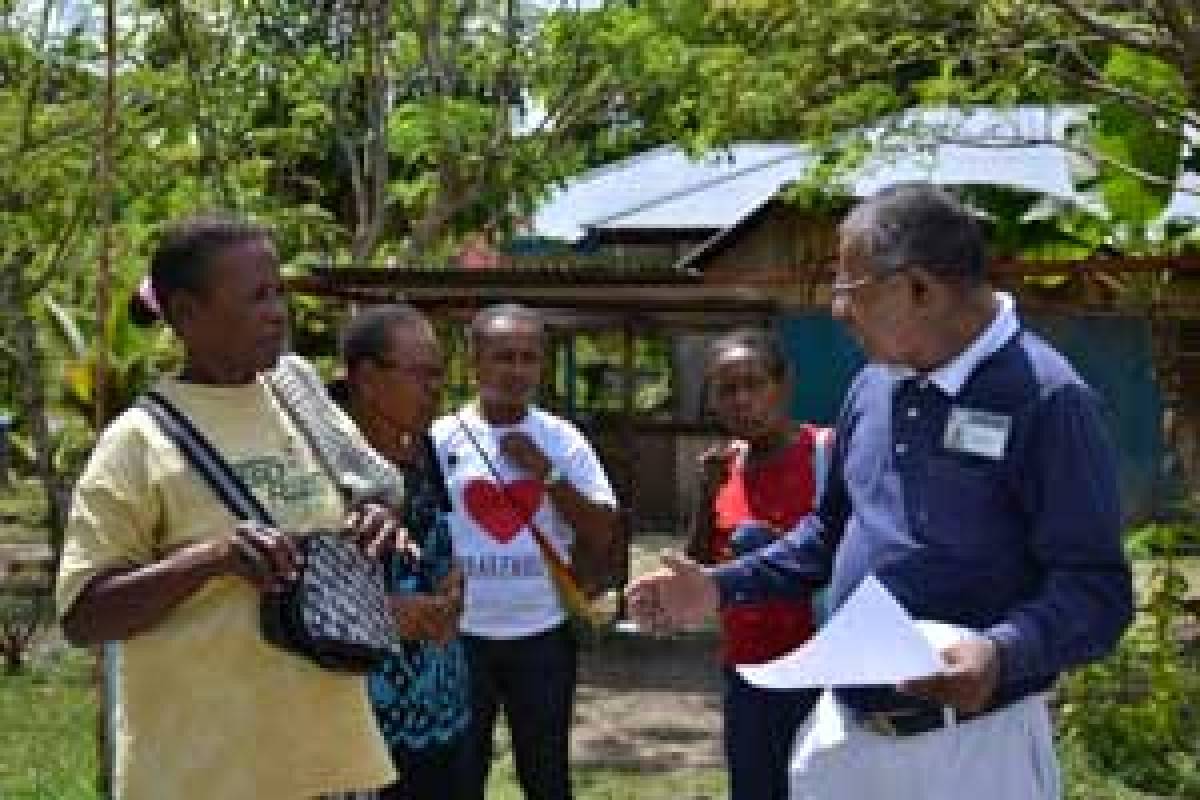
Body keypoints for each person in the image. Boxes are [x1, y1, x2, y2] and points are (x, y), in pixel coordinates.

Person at [627, 183, 1134, 799]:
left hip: (972, 752)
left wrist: (1000, 653)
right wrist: (718, 586)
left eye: (849, 286)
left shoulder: (1047, 400)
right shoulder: (873, 385)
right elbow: (829, 534)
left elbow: (1097, 591)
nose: (838, 309)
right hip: (846, 739)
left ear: (919, 289)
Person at [56, 216, 405, 799]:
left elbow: (372, 491)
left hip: (334, 767)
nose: (276, 313)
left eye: (278, 294)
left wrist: (376, 518)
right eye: (255, 297)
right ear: (187, 315)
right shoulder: (137, 443)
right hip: (206, 776)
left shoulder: (303, 407)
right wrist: (213, 559)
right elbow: (84, 616)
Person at [431, 304, 620, 800]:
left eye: (528, 358)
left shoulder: (562, 439)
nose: (517, 371)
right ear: (474, 362)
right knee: (458, 774)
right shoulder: (439, 439)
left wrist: (547, 474)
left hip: (542, 635)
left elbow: (604, 529)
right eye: (503, 357)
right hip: (460, 636)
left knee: (546, 775)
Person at [334, 304, 470, 800]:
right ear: (368, 378)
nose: (436, 389)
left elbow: (442, 542)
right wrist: (387, 615)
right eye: (423, 374)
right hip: (362, 724)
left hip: (441, 709)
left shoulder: (427, 451)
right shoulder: (324, 469)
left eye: (441, 375)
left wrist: (455, 588)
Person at [683, 328, 827, 800]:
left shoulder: (828, 456)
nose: (742, 400)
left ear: (782, 386)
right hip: (748, 674)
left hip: (823, 672)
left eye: (754, 384)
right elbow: (701, 572)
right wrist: (706, 496)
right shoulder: (724, 469)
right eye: (727, 390)